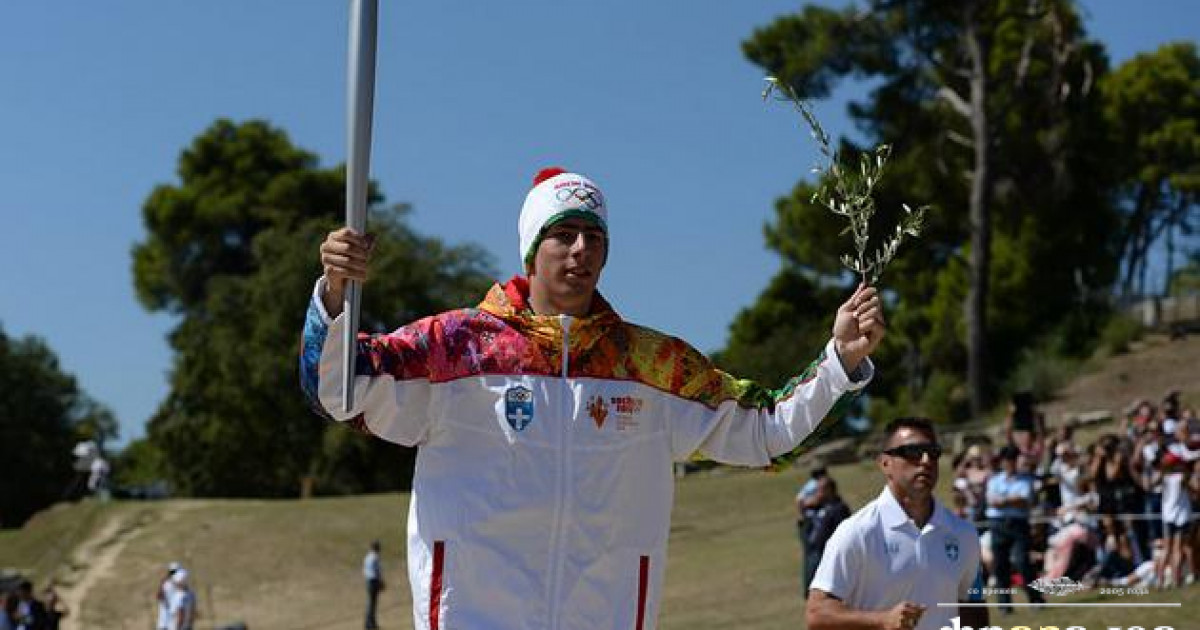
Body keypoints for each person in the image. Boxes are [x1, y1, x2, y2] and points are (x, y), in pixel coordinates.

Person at [300, 167, 886, 629]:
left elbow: (767, 433)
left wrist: (840, 363)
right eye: (563, 234)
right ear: (532, 250)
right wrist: (335, 296)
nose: (581, 249)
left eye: (594, 237)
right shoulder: (455, 347)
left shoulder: (651, 366)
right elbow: (339, 391)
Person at [807, 418, 987, 630]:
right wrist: (881, 620)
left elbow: (973, 607)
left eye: (933, 451)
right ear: (885, 463)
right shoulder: (856, 532)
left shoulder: (964, 533)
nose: (926, 460)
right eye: (913, 452)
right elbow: (816, 614)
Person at [986, 445, 1045, 613]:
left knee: (1023, 562)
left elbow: (1024, 500)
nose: (1009, 463)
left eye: (1012, 460)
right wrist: (1011, 499)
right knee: (1000, 566)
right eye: (1007, 460)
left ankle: (1036, 599)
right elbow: (991, 501)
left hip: (1018, 524)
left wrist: (1004, 501)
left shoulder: (1026, 479)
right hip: (997, 524)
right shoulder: (994, 480)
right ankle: (1004, 605)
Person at [803, 475, 851, 593]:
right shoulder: (820, 506)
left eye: (820, 489)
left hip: (828, 555)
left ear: (829, 490)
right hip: (815, 552)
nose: (817, 493)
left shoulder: (839, 509)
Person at [795, 466, 828, 592]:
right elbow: (799, 500)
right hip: (810, 521)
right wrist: (802, 515)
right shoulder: (814, 484)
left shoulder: (812, 483)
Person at [363, 540, 384, 630]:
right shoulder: (375, 557)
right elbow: (377, 571)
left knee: (371, 603)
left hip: (368, 581)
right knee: (372, 603)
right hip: (374, 581)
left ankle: (370, 623)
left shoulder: (367, 557)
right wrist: (381, 581)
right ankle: (370, 624)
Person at [155, 562, 181, 630]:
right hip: (165, 618)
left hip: (173, 619)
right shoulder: (165, 583)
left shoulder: (180, 585)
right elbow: (158, 596)